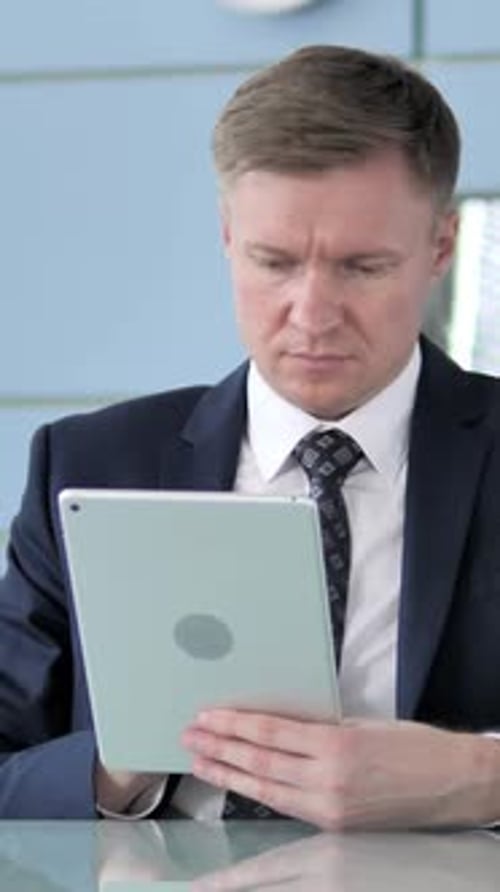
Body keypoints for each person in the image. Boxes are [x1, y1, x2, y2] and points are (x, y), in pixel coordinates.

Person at [1, 43, 500, 827]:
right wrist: (117, 764)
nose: (311, 314)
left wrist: (480, 775)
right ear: (228, 238)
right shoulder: (88, 465)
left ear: (441, 248)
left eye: (362, 267)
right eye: (274, 261)